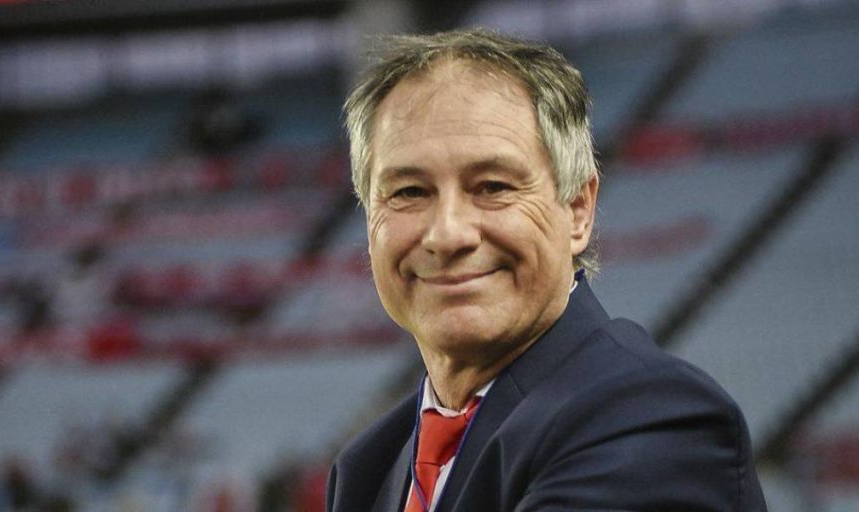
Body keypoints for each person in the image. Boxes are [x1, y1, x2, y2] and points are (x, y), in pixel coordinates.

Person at [327, 29, 767, 511]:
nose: (447, 234)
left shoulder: (654, 422)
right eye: (409, 192)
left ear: (577, 210)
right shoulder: (369, 468)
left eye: (493, 186)